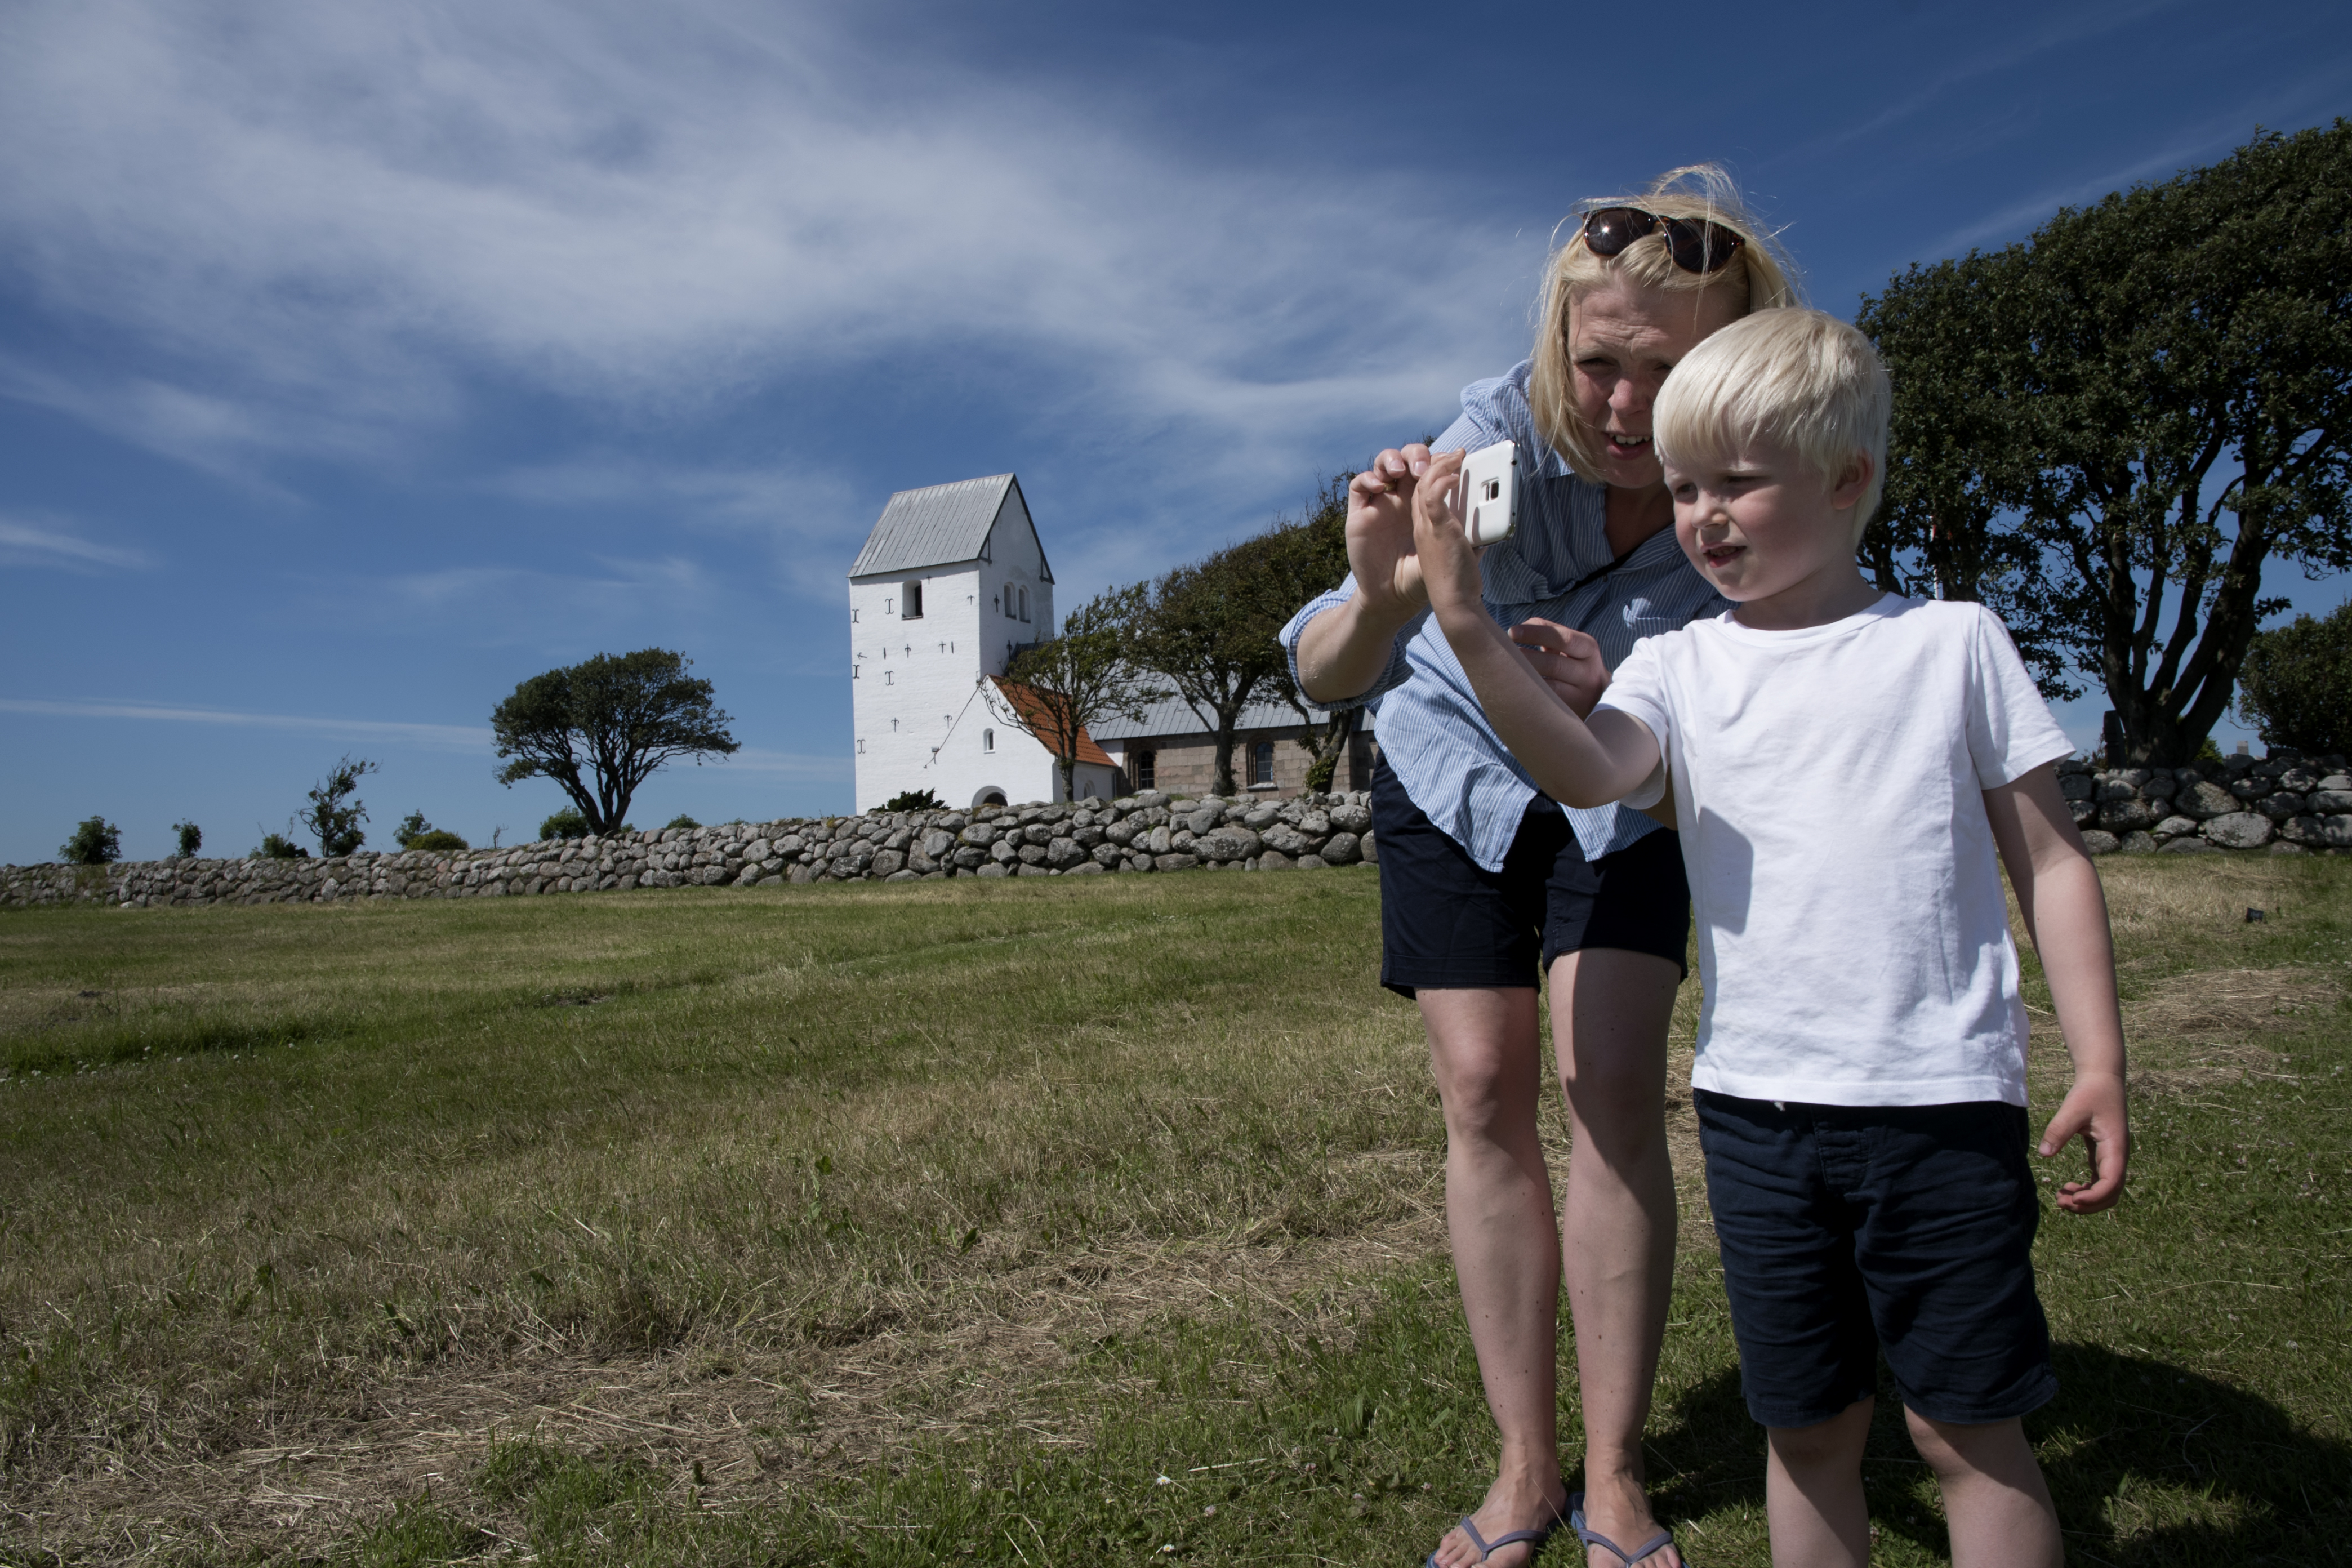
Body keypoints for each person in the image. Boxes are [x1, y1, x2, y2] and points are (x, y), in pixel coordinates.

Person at [1406, 306, 2130, 1568]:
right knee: (1806, 1433)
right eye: (1686, 489)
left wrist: (2101, 1056)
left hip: (1944, 1106)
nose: (1704, 516)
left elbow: (2051, 858)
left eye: (1740, 481)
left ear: (1848, 480)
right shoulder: (1675, 668)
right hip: (1758, 1118)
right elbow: (1590, 773)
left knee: (1965, 1433)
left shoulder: (1951, 643)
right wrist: (1468, 626)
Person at [1281, 167, 1794, 1568]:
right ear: (1558, 346)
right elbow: (1330, 669)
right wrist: (1387, 586)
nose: (1626, 412)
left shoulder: (1757, 470)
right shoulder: (1493, 435)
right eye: (1601, 365)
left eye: (1669, 373)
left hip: (1624, 786)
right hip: (1451, 772)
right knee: (1483, 1088)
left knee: (1611, 1082)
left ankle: (1616, 1478)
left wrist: (1612, 684)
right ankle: (1525, 1471)